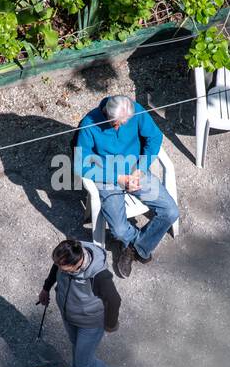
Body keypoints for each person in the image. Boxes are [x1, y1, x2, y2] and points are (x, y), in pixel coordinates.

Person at [75, 94, 180, 277]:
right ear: (105, 112)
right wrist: (118, 179)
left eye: (124, 122)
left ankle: (134, 248)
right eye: (115, 123)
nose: (119, 126)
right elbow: (80, 164)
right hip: (106, 178)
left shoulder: (136, 111)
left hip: (134, 170)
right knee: (119, 230)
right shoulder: (88, 124)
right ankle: (139, 246)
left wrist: (140, 169)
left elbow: (154, 138)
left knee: (171, 211)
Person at [37, 238, 123, 367]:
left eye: (64, 268)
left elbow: (114, 300)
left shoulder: (99, 275)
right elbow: (56, 267)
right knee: (76, 347)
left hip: (90, 323)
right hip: (70, 316)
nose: (59, 269)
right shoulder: (67, 256)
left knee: (85, 361)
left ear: (77, 264)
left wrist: (110, 324)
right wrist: (46, 288)